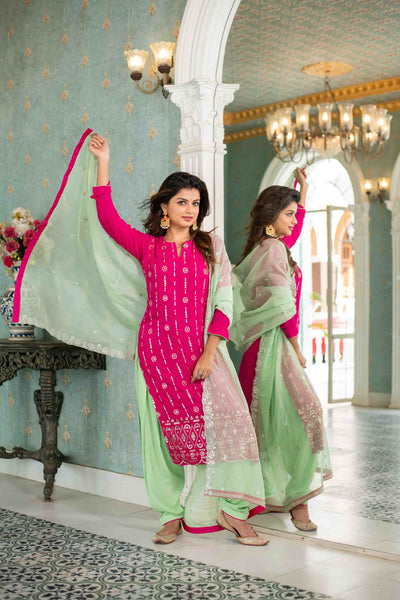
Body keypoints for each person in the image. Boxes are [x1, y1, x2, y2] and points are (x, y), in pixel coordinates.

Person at [13, 128, 267, 546]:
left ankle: (232, 511)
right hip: (156, 355)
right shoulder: (149, 248)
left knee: (230, 428)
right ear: (164, 207)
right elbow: (107, 220)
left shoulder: (210, 247)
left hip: (201, 354)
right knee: (162, 438)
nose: (190, 209)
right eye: (182, 202)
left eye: (196, 203)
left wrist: (210, 352)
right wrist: (104, 164)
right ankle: (170, 514)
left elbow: (224, 302)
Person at [231, 169, 332, 532]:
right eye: (288, 213)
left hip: (261, 348)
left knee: (269, 425)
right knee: (306, 416)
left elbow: (294, 228)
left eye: (293, 213)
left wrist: (301, 189)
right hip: (272, 348)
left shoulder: (269, 246)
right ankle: (295, 501)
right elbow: (282, 305)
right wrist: (297, 347)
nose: (294, 219)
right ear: (272, 217)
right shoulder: (274, 250)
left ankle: (277, 498)